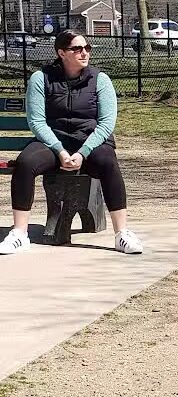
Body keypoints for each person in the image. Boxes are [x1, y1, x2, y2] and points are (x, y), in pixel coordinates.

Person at [0, 29, 143, 255]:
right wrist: (59, 150)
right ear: (61, 52)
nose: (84, 53)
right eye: (77, 48)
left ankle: (122, 233)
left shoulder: (100, 80)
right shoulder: (41, 78)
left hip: (91, 141)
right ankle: (19, 233)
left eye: (87, 48)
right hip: (53, 141)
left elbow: (106, 124)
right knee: (25, 163)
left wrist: (83, 152)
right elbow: (36, 121)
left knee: (108, 162)